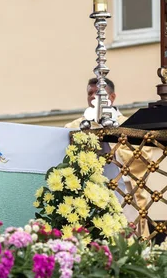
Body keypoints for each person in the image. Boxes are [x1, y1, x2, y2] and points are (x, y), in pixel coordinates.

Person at [65, 77, 151, 236]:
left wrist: (112, 148)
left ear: (112, 97)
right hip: (87, 196)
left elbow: (144, 156)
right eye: (90, 93)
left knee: (126, 241)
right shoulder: (74, 127)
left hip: (123, 195)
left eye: (97, 93)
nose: (92, 96)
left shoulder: (130, 125)